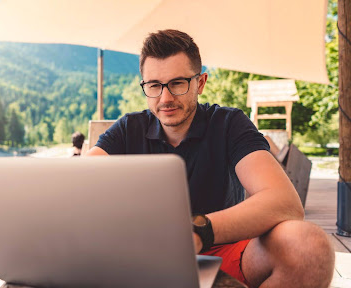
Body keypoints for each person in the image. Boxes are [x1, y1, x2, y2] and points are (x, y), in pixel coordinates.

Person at [85, 29, 334, 287]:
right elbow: (77, 186)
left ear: (200, 83)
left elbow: (285, 203)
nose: (165, 98)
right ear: (145, 86)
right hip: (140, 257)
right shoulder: (128, 129)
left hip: (222, 252)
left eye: (178, 83)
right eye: (154, 85)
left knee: (308, 247)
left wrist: (199, 230)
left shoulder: (229, 124)